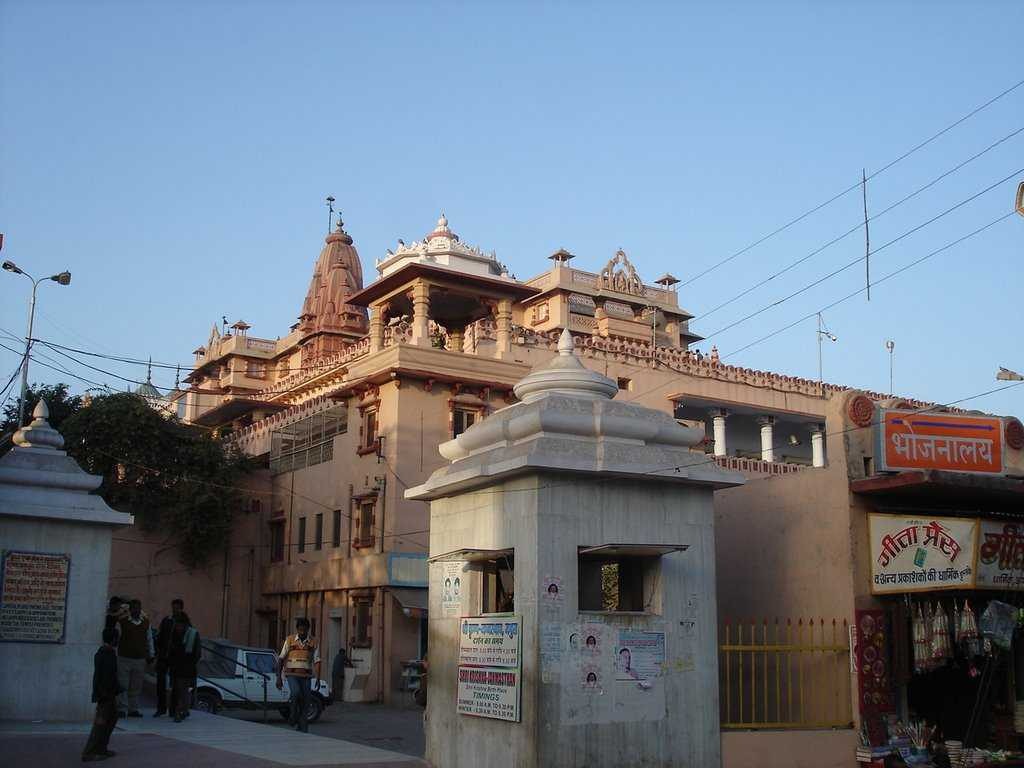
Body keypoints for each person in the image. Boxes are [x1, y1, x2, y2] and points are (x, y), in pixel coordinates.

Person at [81, 627, 122, 762]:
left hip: (108, 693)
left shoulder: (106, 653)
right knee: (100, 723)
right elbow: (105, 677)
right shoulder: (106, 654)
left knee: (111, 719)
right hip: (105, 695)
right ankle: (89, 752)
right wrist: (106, 693)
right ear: (113, 639)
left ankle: (101, 748)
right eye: (117, 638)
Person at [276, 618, 320, 733]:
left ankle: (303, 728)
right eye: (300, 630)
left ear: (308, 630)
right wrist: (278, 678)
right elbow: (281, 658)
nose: (302, 632)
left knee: (306, 701)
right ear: (297, 629)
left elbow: (317, 660)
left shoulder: (313, 642)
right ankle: (292, 714)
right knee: (295, 692)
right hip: (292, 674)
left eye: (304, 630)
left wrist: (318, 677)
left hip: (306, 675)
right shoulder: (290, 640)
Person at [117, 599, 154, 717]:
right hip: (124, 658)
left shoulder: (146, 623)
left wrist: (151, 654)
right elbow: (117, 639)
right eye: (133, 608)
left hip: (140, 659)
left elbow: (149, 639)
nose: (136, 610)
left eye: (138, 608)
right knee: (123, 684)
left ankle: (133, 709)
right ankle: (122, 708)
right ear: (130, 609)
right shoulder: (122, 622)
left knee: (136, 685)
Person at [166, 613, 201, 723]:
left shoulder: (193, 634)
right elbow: (171, 650)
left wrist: (190, 663)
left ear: (185, 624)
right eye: (177, 625)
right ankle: (183, 710)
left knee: (182, 690)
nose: (178, 627)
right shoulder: (174, 634)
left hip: (187, 666)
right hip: (177, 666)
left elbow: (197, 653)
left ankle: (180, 711)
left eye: (180, 625)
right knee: (180, 690)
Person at [154, 598, 185, 717]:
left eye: (177, 608)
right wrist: (158, 651)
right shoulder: (166, 620)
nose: (175, 610)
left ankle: (173, 709)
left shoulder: (184, 622)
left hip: (176, 658)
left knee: (175, 684)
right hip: (163, 656)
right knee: (160, 683)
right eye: (173, 607)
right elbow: (160, 636)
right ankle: (161, 708)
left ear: (181, 608)